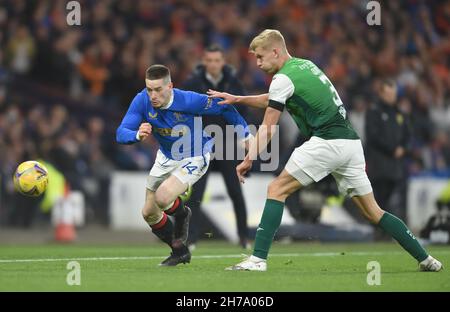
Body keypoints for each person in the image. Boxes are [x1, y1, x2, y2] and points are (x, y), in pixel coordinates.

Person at [208, 29, 442, 272]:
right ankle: (427, 259)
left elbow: (267, 130)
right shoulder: (304, 66)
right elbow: (275, 97)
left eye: (260, 56)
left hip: (326, 142)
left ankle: (257, 260)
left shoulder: (282, 79)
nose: (257, 63)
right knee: (374, 212)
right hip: (350, 144)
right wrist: (238, 99)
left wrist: (248, 159)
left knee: (276, 189)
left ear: (275, 52)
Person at [116, 65, 250, 266]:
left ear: (170, 86)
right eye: (149, 89)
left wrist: (245, 134)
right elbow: (121, 131)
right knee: (148, 213)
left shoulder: (188, 100)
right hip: (166, 157)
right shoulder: (142, 100)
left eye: (158, 89)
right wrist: (135, 135)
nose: (153, 95)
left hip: (195, 155)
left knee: (163, 197)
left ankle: (181, 213)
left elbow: (224, 107)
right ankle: (179, 251)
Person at [182, 44, 250, 249]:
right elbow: (184, 111)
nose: (212, 64)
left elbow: (242, 110)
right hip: (202, 145)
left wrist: (243, 135)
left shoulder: (233, 83)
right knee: (196, 194)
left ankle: (243, 237)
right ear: (204, 62)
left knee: (235, 192)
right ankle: (191, 238)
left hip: (228, 144)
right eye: (209, 60)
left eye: (216, 60)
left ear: (223, 62)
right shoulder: (193, 83)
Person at [365, 79, 410, 228]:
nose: (392, 97)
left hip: (395, 166)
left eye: (394, 94)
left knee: (390, 200)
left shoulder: (399, 113)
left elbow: (408, 134)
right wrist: (393, 149)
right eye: (389, 94)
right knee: (378, 200)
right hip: (379, 165)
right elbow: (372, 136)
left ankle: (386, 231)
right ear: (381, 93)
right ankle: (377, 231)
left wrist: (403, 147)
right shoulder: (374, 111)